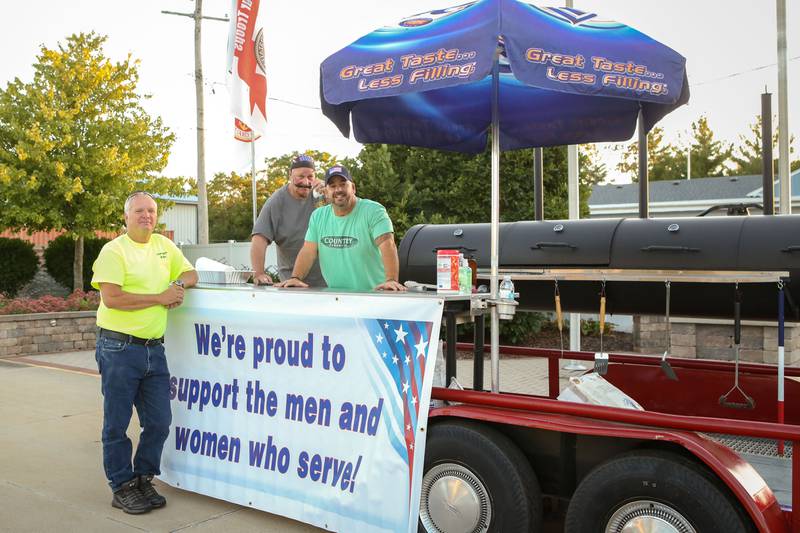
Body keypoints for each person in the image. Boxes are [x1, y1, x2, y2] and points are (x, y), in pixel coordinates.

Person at [91, 191, 198, 514]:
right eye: (139, 211)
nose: (146, 216)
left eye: (151, 211)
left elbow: (191, 274)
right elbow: (112, 298)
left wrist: (177, 285)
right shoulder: (114, 251)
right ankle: (121, 486)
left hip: (154, 349)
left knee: (159, 422)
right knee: (117, 423)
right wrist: (159, 297)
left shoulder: (164, 246)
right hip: (119, 348)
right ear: (126, 217)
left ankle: (143, 478)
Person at [277, 165, 406, 292]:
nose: (338, 189)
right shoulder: (318, 216)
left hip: (375, 297)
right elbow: (308, 251)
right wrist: (295, 277)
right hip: (337, 299)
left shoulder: (374, 211)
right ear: (326, 192)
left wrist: (391, 280)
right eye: (332, 186)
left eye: (343, 184)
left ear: (353, 188)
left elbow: (387, 244)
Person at [250, 154, 326, 286]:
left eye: (310, 177)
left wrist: (330, 193)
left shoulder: (323, 195)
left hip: (329, 283)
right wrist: (259, 273)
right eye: (300, 176)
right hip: (291, 284)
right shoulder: (276, 201)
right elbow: (259, 238)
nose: (306, 182)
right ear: (290, 175)